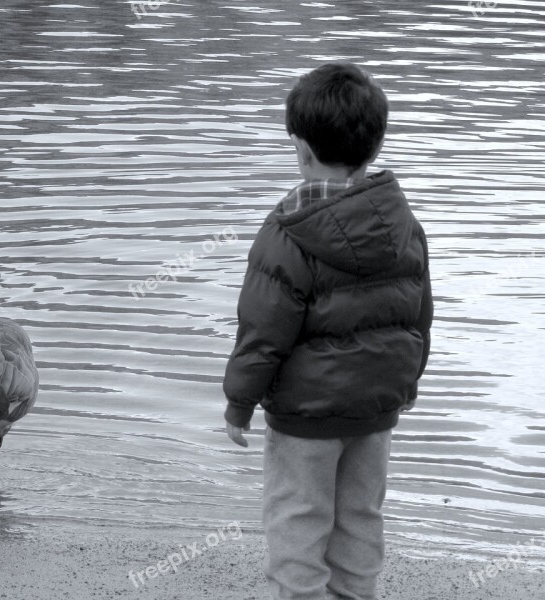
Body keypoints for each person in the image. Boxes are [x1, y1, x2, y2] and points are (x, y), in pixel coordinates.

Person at [223, 62, 433, 600]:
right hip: (376, 408)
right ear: (373, 144)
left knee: (299, 517)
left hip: (306, 416)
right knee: (360, 517)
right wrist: (405, 386)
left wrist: (239, 402)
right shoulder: (402, 220)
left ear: (301, 148)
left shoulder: (287, 231)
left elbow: (262, 329)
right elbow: (418, 313)